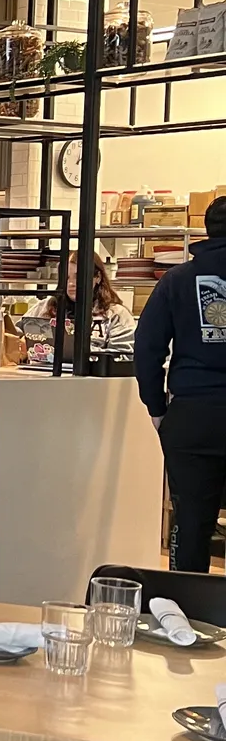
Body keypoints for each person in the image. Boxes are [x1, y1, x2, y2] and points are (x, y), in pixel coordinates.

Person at [136, 197, 226, 572]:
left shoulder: (177, 280)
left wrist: (157, 408)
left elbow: (146, 348)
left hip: (193, 416)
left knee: (191, 522)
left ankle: (187, 616)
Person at [27, 252, 136, 354]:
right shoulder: (44, 307)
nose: (71, 283)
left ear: (98, 277)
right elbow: (17, 336)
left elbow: (123, 357)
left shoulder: (117, 314)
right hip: (43, 373)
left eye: (78, 277)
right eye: (66, 277)